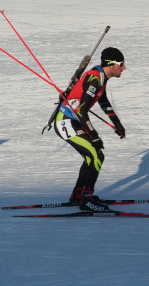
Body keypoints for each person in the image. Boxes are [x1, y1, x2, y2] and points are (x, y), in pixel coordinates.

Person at [54, 47, 126, 211]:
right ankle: (87, 199)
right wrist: (94, 136)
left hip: (76, 121)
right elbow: (82, 111)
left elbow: (104, 102)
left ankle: (78, 195)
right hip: (66, 122)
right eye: (120, 64)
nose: (124, 68)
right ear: (110, 64)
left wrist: (118, 124)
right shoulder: (94, 79)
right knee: (96, 155)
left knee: (92, 157)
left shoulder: (101, 77)